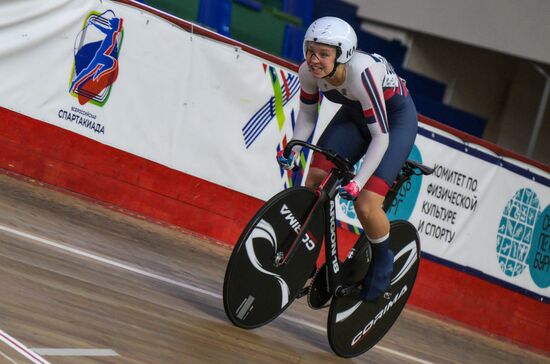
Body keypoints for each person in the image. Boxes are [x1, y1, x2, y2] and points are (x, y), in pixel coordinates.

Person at [277, 16, 418, 301]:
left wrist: (358, 182)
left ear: (343, 55)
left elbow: (381, 137)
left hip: (394, 123)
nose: (314, 60)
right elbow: (307, 115)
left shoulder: (361, 74)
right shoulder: (308, 71)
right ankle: (306, 261)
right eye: (310, 51)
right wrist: (294, 146)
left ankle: (382, 264)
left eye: (324, 54)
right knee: (315, 182)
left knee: (366, 205)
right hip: (355, 115)